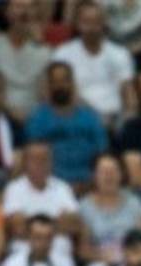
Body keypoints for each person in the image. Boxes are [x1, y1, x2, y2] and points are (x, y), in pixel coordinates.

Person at [24, 61, 109, 189]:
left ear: (72, 83)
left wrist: (91, 182)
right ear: (48, 85)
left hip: (90, 184)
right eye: (55, 81)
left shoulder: (90, 116)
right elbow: (35, 159)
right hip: (50, 185)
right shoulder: (37, 118)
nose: (60, 85)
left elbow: (102, 152)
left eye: (64, 80)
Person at [53, 0, 136, 124]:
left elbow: (128, 92)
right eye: (86, 22)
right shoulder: (63, 55)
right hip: (76, 119)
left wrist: (129, 117)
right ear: (77, 23)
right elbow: (58, 93)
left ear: (104, 23)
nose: (92, 28)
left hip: (114, 118)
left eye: (96, 22)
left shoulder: (120, 53)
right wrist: (93, 117)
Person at [0, 0, 51, 122]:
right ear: (7, 12)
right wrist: (10, 112)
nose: (24, 12)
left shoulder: (45, 53)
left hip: (35, 120)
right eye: (19, 6)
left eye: (30, 7)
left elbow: (45, 95)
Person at [78, 153, 141, 266]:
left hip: (132, 262)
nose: (109, 176)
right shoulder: (84, 206)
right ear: (94, 176)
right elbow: (83, 250)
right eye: (103, 171)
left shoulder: (134, 203)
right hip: (100, 263)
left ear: (121, 174)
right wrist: (103, 257)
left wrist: (127, 257)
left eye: (113, 171)